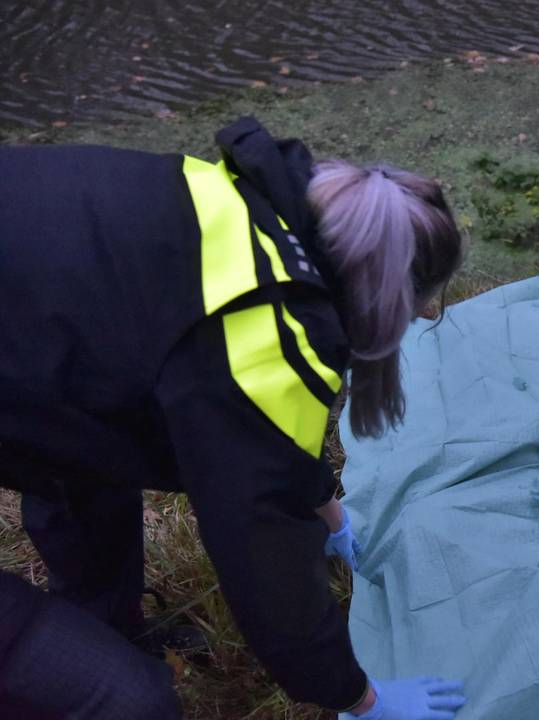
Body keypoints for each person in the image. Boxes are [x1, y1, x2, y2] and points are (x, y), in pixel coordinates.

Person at [0, 116, 467, 719]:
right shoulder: (259, 339)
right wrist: (358, 696)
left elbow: (255, 440)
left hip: (39, 345)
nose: (425, 316)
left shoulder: (246, 199)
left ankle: (109, 625)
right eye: (421, 303)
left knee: (93, 451)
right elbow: (264, 561)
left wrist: (331, 516)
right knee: (123, 700)